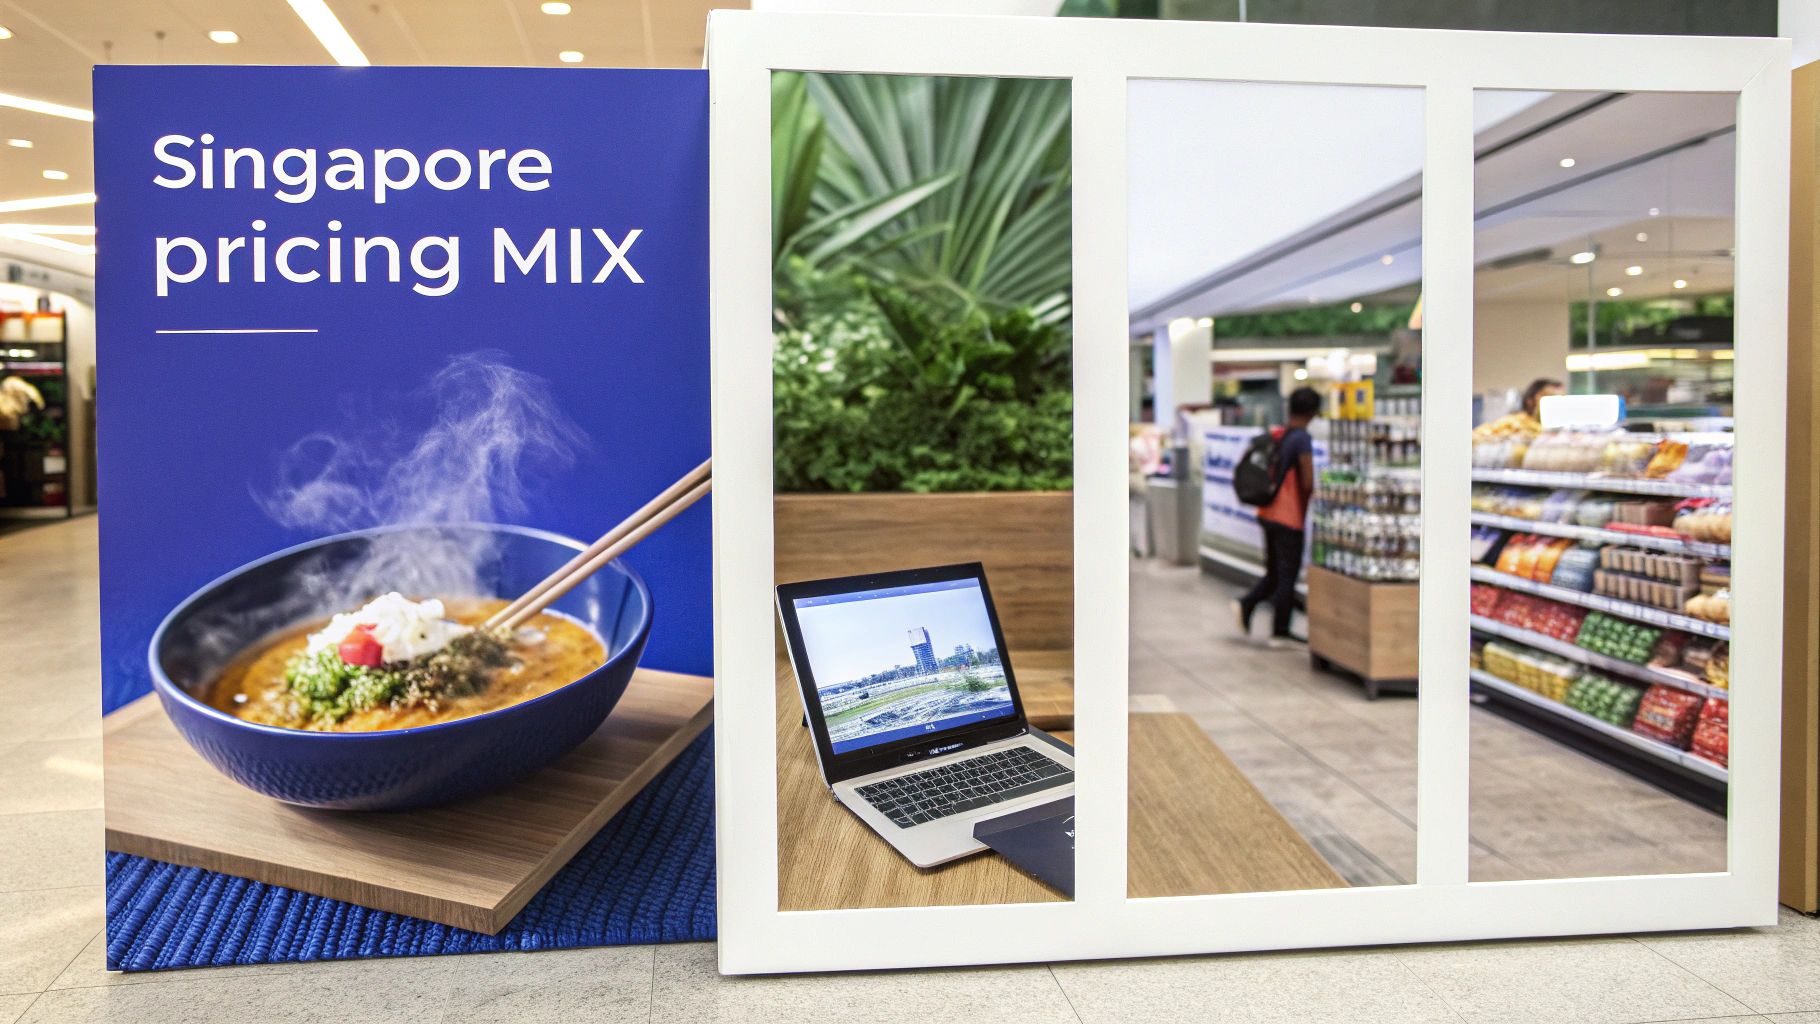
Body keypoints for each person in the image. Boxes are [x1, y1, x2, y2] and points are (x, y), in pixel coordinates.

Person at [1235, 386, 1320, 646]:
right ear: (1313, 412)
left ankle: (1246, 604)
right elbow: (1307, 481)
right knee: (1286, 575)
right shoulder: (1302, 439)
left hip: (1267, 511)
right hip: (1288, 516)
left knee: (1274, 572)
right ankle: (1279, 631)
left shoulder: (1280, 434)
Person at [1473, 377, 1563, 440]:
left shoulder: (1559, 431)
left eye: (1559, 398)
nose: (1554, 401)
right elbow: (1478, 435)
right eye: (1548, 396)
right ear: (1530, 400)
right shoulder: (1512, 423)